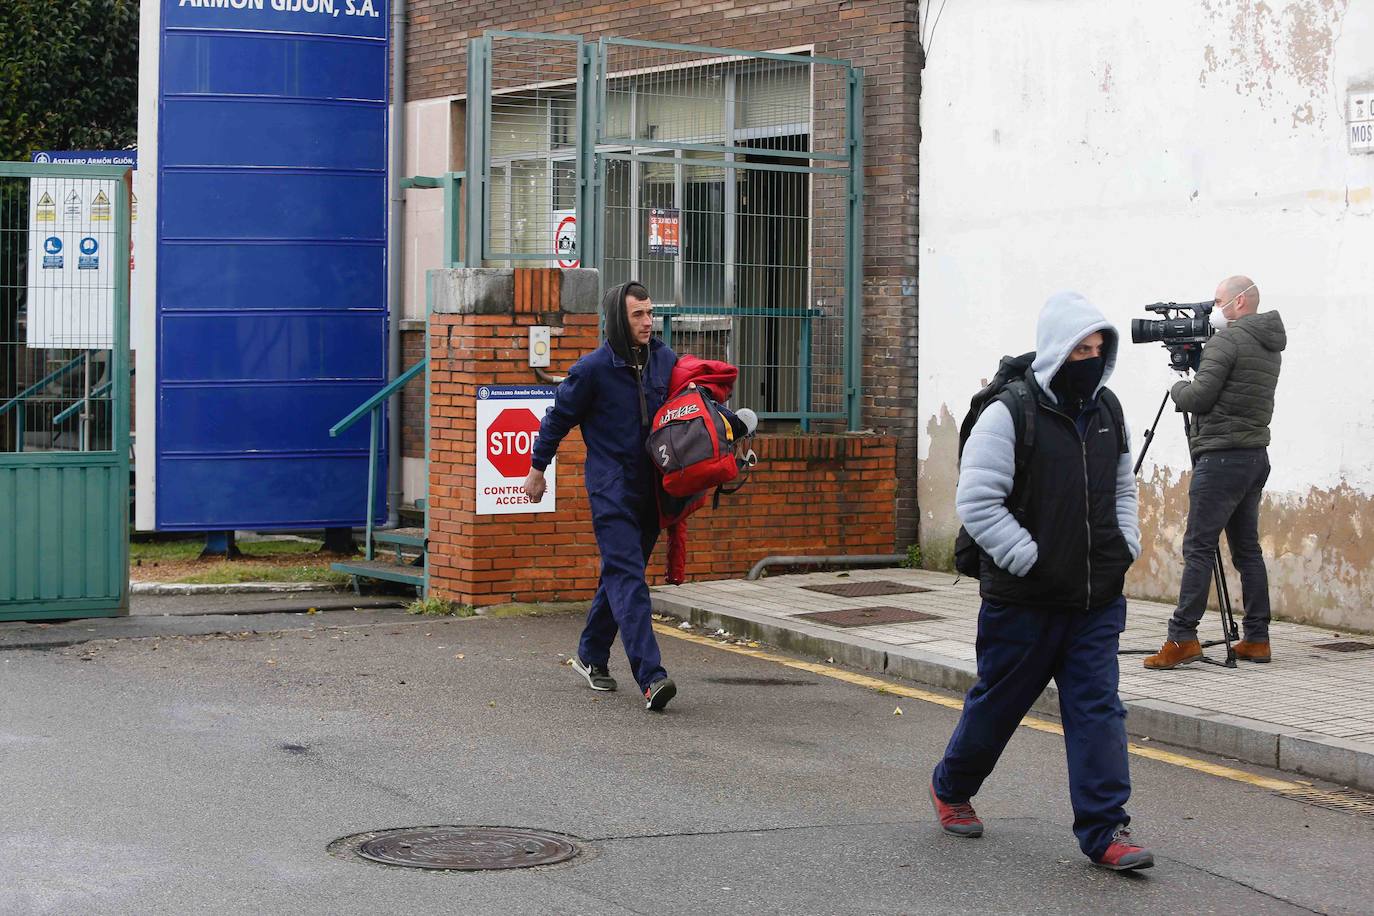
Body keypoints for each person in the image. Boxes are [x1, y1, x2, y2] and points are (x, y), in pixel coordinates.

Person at [930, 291, 1154, 872]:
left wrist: (1123, 544)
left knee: (1098, 709)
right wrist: (1027, 558)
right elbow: (978, 503)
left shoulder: (1109, 410)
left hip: (1095, 599)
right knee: (999, 705)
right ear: (1058, 348)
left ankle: (1106, 830)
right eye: (1081, 347)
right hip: (1023, 601)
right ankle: (952, 786)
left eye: (1099, 348)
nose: (1091, 358)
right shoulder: (1010, 411)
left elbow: (1123, 487)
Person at [521, 281, 680, 711]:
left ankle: (591, 655)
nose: (648, 322)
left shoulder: (665, 360)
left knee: (618, 574)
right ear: (617, 319)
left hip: (653, 488)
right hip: (611, 488)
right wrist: (538, 469)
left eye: (650, 313)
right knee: (630, 579)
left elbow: (689, 407)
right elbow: (557, 419)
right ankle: (652, 677)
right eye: (638, 315)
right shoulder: (592, 369)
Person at [1145, 276, 1286, 669]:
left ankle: (1182, 637)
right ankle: (1257, 638)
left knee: (1198, 547)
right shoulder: (1268, 343)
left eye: (1219, 301)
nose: (1213, 309)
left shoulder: (1226, 341)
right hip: (1254, 456)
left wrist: (1176, 387)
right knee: (1247, 550)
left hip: (1221, 458)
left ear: (1240, 302)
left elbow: (1200, 396)